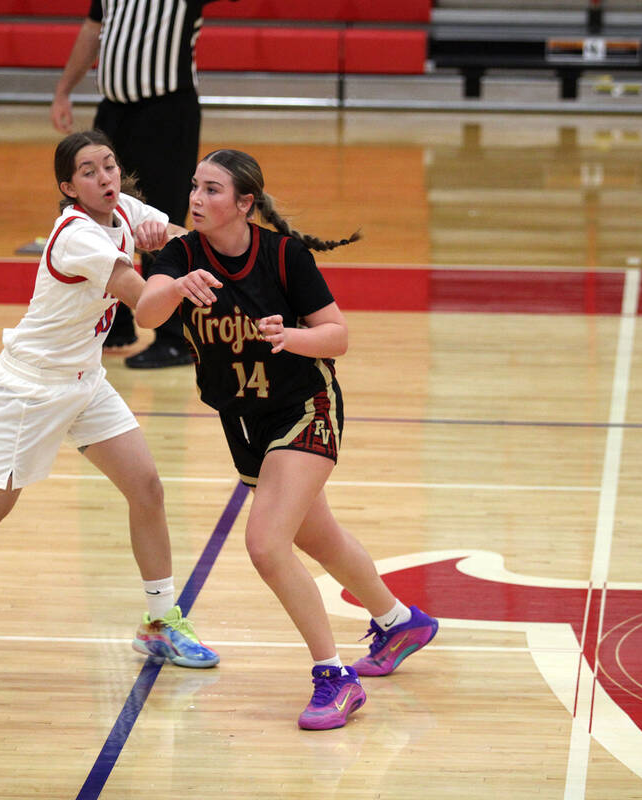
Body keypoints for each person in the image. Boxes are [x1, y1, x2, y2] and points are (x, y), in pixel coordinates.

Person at [0, 130, 219, 674]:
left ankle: (159, 623)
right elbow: (146, 307)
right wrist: (179, 273)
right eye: (88, 171)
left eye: (109, 165)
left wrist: (166, 234)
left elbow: (174, 235)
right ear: (68, 186)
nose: (104, 178)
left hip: (84, 382)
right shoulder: (77, 235)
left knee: (146, 487)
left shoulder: (121, 207)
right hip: (29, 389)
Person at [134, 149, 438, 730]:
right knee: (318, 537)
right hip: (243, 423)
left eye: (213, 190)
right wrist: (175, 287)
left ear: (245, 203)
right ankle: (401, 622)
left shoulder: (283, 255)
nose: (197, 198)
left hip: (305, 409)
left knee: (267, 544)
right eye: (194, 187)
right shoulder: (181, 254)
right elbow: (147, 314)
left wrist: (291, 337)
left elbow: (338, 336)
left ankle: (334, 678)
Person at [51, 0, 234, 368]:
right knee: (103, 209)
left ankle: (174, 337)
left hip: (166, 112)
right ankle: (115, 324)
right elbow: (92, 31)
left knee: (157, 216)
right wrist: (63, 90)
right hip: (115, 110)